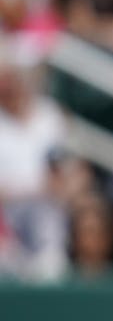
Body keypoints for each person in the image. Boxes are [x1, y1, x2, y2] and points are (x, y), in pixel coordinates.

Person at [0, 44, 67, 281]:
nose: (11, 87)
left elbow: (64, 169)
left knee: (49, 224)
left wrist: (60, 186)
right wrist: (34, 189)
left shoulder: (49, 115)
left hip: (48, 209)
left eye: (15, 79)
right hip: (6, 213)